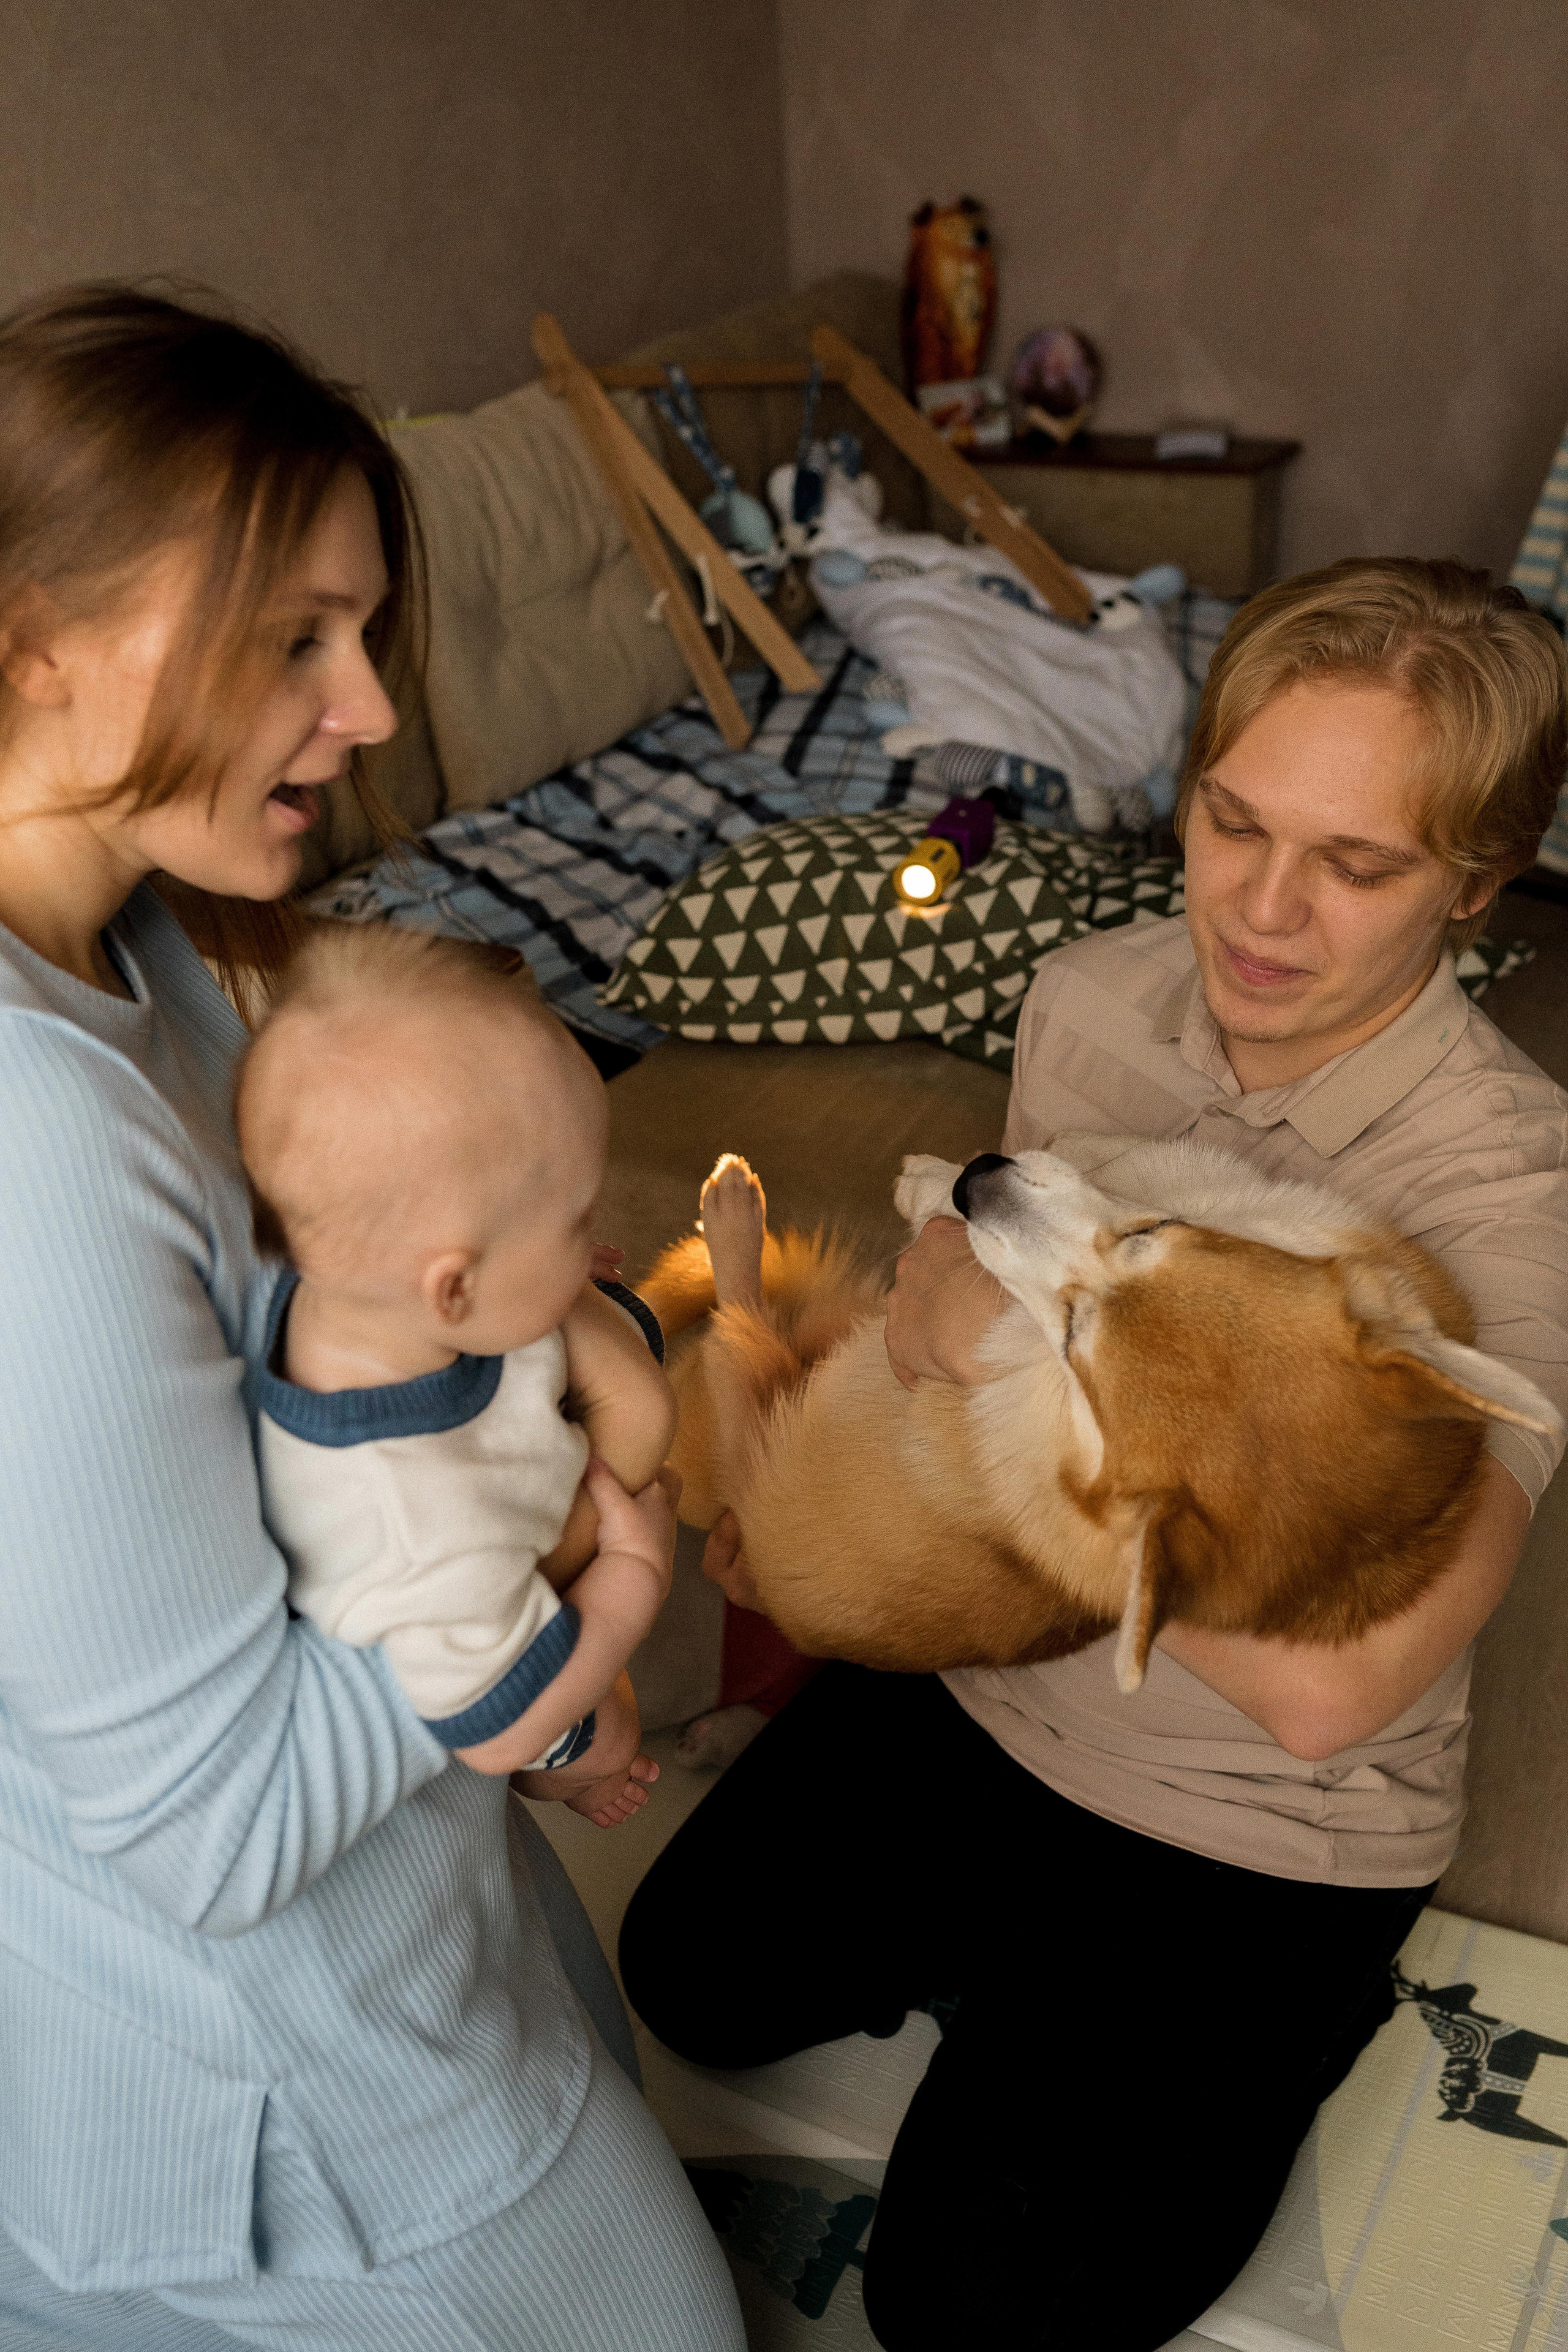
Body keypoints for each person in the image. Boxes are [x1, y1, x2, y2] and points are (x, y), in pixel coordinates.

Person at [619, 558, 1568, 2351]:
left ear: (1476, 881)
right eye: (1233, 822)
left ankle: (1259, 2019)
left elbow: (1338, 1688)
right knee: (689, 1975)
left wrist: (981, 1344)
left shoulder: (1506, 1194)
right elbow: (963, 1373)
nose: (1265, 912)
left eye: (1359, 866)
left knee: (969, 2310)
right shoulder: (1092, 995)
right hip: (1003, 1677)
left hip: (1256, 1818)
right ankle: (1033, 1982)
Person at [0, 284, 744, 2352]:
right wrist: (596, 1594)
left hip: (390, 1919)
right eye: (294, 640)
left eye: (363, 634)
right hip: (285, 2072)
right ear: (33, 632)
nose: (372, 713)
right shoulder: (27, 1155)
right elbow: (226, 1822)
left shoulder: (137, 943)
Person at [238, 919, 679, 1823]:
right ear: (452, 1289)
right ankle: (579, 1779)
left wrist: (540, 1271)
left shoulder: (364, 1293)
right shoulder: (417, 1524)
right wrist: (632, 1583)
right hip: (498, 1670)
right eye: (570, 1221)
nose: (589, 1233)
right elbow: (492, 1734)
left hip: (524, 1452)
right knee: (610, 1730)